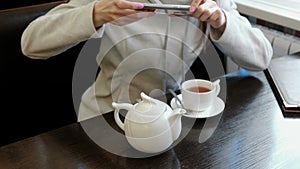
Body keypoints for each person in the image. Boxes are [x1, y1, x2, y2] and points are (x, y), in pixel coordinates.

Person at [21, 0, 273, 122]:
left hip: (171, 117)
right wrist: (95, 13)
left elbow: (261, 57)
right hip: (106, 117)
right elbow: (31, 43)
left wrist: (222, 22)